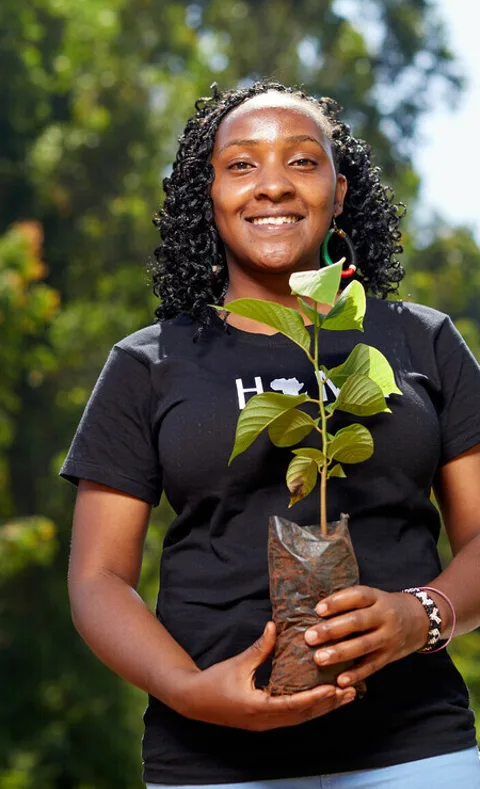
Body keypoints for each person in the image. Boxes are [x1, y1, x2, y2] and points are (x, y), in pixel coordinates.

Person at [61, 81, 480, 788]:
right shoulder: (149, 363)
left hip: (414, 748)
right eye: (242, 164)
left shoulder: (421, 340)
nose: (273, 184)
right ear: (210, 195)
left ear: (338, 193)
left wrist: (422, 615)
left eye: (303, 160)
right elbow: (97, 579)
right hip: (211, 760)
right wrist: (189, 690)